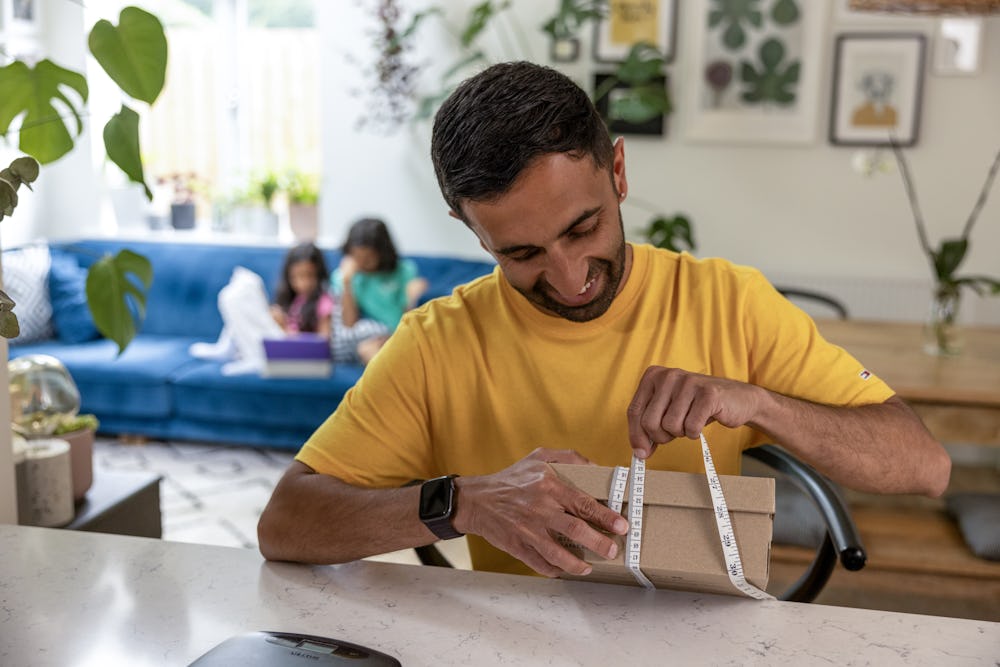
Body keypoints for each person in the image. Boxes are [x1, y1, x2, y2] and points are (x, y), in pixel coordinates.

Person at [258, 62, 950, 579]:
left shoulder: (727, 303)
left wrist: (760, 401)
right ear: (471, 231)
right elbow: (285, 521)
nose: (567, 277)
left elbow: (925, 466)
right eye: (521, 253)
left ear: (617, 170)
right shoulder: (439, 343)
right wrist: (458, 502)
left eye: (582, 226)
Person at [330, 217, 428, 364]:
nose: (362, 263)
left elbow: (408, 319)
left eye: (368, 258)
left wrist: (412, 298)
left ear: (382, 253)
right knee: (368, 350)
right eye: (357, 258)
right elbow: (348, 324)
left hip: (397, 335)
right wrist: (347, 283)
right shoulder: (343, 277)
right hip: (364, 340)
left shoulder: (403, 271)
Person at [270, 241, 334, 338]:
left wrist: (284, 327)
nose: (302, 283)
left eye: (309, 276)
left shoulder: (324, 303)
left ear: (319, 274)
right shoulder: (293, 300)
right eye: (295, 277)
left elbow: (322, 344)